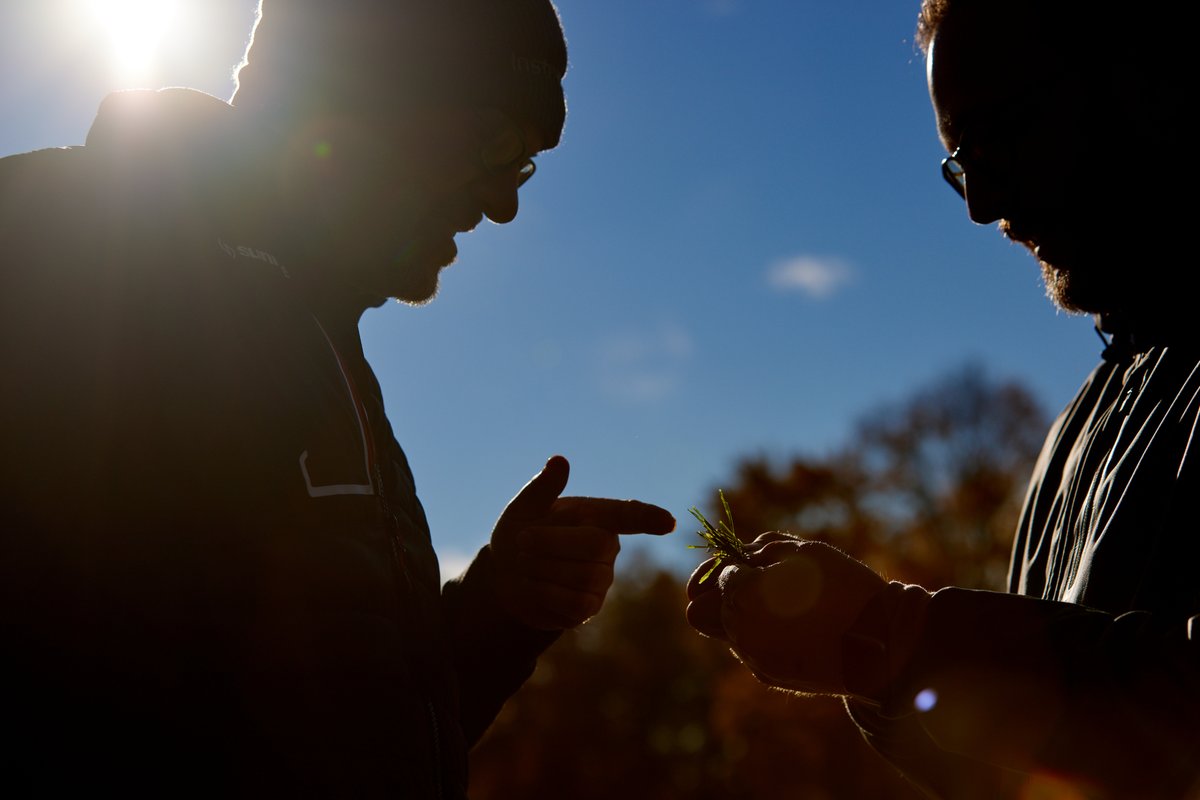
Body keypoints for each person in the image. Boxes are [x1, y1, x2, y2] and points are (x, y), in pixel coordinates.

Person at [0, 0, 675, 795]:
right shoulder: (54, 242)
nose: (503, 204)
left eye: (523, 165)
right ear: (365, 96)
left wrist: (502, 611)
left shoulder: (329, 354)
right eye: (494, 144)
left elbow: (342, 736)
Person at [686, 1, 1200, 798]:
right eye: (962, 162)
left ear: (1146, 80)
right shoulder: (1076, 433)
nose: (982, 205)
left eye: (1004, 135)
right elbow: (1034, 777)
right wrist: (870, 668)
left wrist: (906, 637)